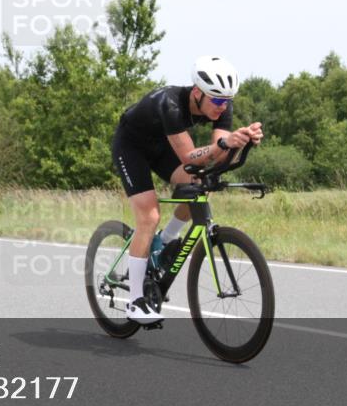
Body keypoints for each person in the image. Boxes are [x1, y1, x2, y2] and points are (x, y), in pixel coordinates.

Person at [111, 56, 263, 323]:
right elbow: (191, 157)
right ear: (197, 93)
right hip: (132, 147)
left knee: (200, 183)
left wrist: (240, 142)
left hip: (162, 148)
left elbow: (215, 157)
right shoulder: (170, 104)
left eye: (227, 101)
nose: (222, 106)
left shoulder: (220, 103)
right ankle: (135, 301)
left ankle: (168, 240)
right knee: (149, 216)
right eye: (216, 101)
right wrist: (226, 143)